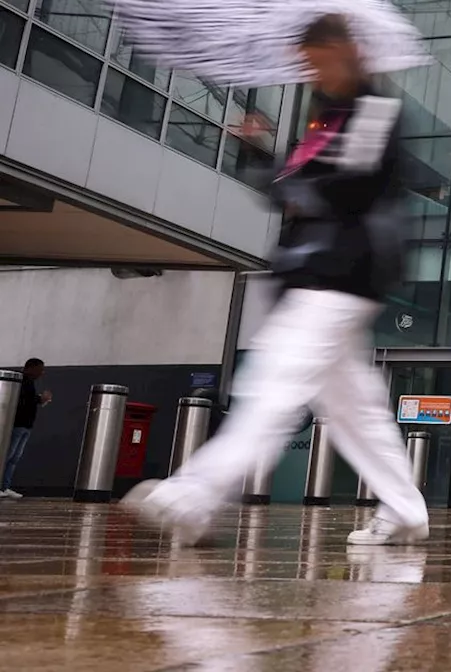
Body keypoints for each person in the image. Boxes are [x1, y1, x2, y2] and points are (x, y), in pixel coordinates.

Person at [123, 15, 430, 546]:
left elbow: (348, 189)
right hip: (317, 274)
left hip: (342, 275)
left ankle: (191, 497)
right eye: (305, 59)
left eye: (316, 57)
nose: (308, 68)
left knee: (272, 387)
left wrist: (290, 178)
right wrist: (260, 151)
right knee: (355, 410)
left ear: (344, 51)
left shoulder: (375, 110)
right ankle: (406, 508)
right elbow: (286, 188)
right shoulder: (327, 118)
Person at [3, 358, 51, 499]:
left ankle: (4, 486)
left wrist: (39, 399)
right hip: (17, 424)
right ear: (30, 368)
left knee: (14, 458)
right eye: (40, 369)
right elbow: (23, 400)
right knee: (7, 456)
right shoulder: (21, 381)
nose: (42, 373)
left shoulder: (29, 383)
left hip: (26, 425)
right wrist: (40, 399)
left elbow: (29, 400)